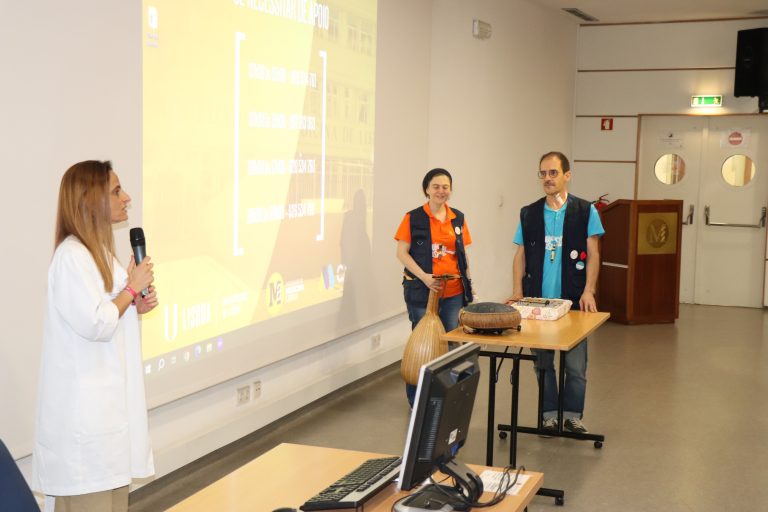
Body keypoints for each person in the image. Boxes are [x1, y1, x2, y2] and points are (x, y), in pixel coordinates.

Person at [33, 160, 158, 512]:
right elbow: (96, 323)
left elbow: (110, 314)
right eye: (116, 191)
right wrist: (130, 291)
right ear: (90, 200)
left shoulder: (101, 255)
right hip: (84, 438)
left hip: (109, 431)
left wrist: (133, 304)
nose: (126, 197)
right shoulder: (71, 257)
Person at [507, 151, 604, 434]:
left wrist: (589, 290)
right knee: (542, 363)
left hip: (573, 301)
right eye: (543, 173)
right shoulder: (529, 213)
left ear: (567, 175)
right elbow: (520, 254)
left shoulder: (585, 211)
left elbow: (594, 254)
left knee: (575, 365)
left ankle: (572, 415)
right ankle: (549, 414)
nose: (547, 178)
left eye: (553, 173)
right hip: (537, 303)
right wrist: (517, 291)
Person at [395, 168, 474, 406]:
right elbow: (402, 253)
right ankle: (418, 400)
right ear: (427, 189)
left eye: (445, 187)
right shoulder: (413, 218)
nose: (441, 191)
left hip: (453, 294)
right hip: (422, 292)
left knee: (449, 344)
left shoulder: (458, 218)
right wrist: (424, 277)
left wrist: (470, 284)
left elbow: (462, 255)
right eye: (436, 186)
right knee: (422, 344)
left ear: (451, 190)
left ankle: (444, 397)